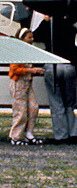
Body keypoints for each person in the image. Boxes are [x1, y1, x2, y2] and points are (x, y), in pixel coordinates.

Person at [33, 14, 77, 142]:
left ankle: (61, 135)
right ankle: (73, 133)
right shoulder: (71, 26)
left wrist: (45, 21)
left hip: (52, 65)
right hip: (70, 65)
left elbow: (36, 36)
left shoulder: (49, 26)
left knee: (56, 102)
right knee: (70, 103)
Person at [9, 28, 44, 145]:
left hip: (27, 83)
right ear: (22, 39)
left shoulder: (28, 51)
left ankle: (29, 133)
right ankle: (15, 136)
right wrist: (32, 70)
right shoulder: (17, 51)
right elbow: (14, 69)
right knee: (21, 111)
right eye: (29, 37)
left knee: (33, 108)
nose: (32, 39)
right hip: (18, 84)